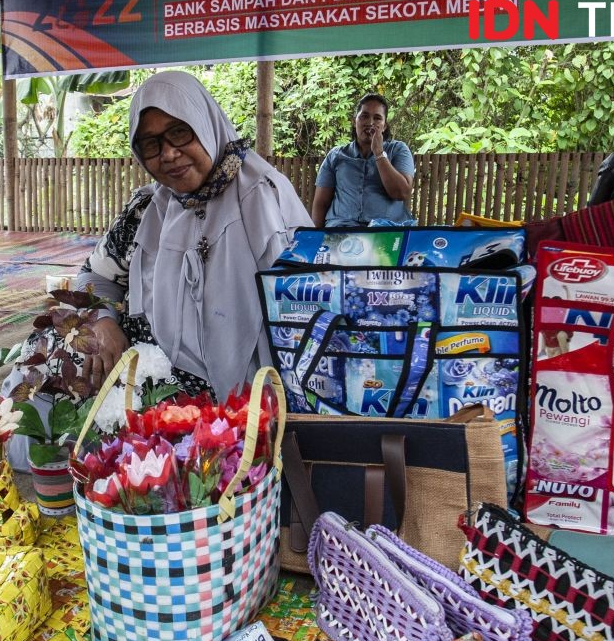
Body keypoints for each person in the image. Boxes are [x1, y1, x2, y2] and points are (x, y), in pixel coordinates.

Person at [77, 71, 311, 399]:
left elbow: (308, 309)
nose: (169, 154)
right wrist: (103, 322)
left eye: (180, 133)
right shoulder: (147, 209)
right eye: (151, 144)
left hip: (254, 404)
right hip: (154, 395)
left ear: (206, 125)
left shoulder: (265, 198)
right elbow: (92, 278)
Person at [311, 93, 415, 227]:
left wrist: (379, 153)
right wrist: (315, 237)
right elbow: (321, 203)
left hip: (385, 231)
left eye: (377, 118)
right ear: (354, 121)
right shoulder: (335, 156)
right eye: (364, 116)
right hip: (340, 229)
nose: (370, 123)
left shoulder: (398, 150)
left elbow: (401, 193)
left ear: (384, 126)